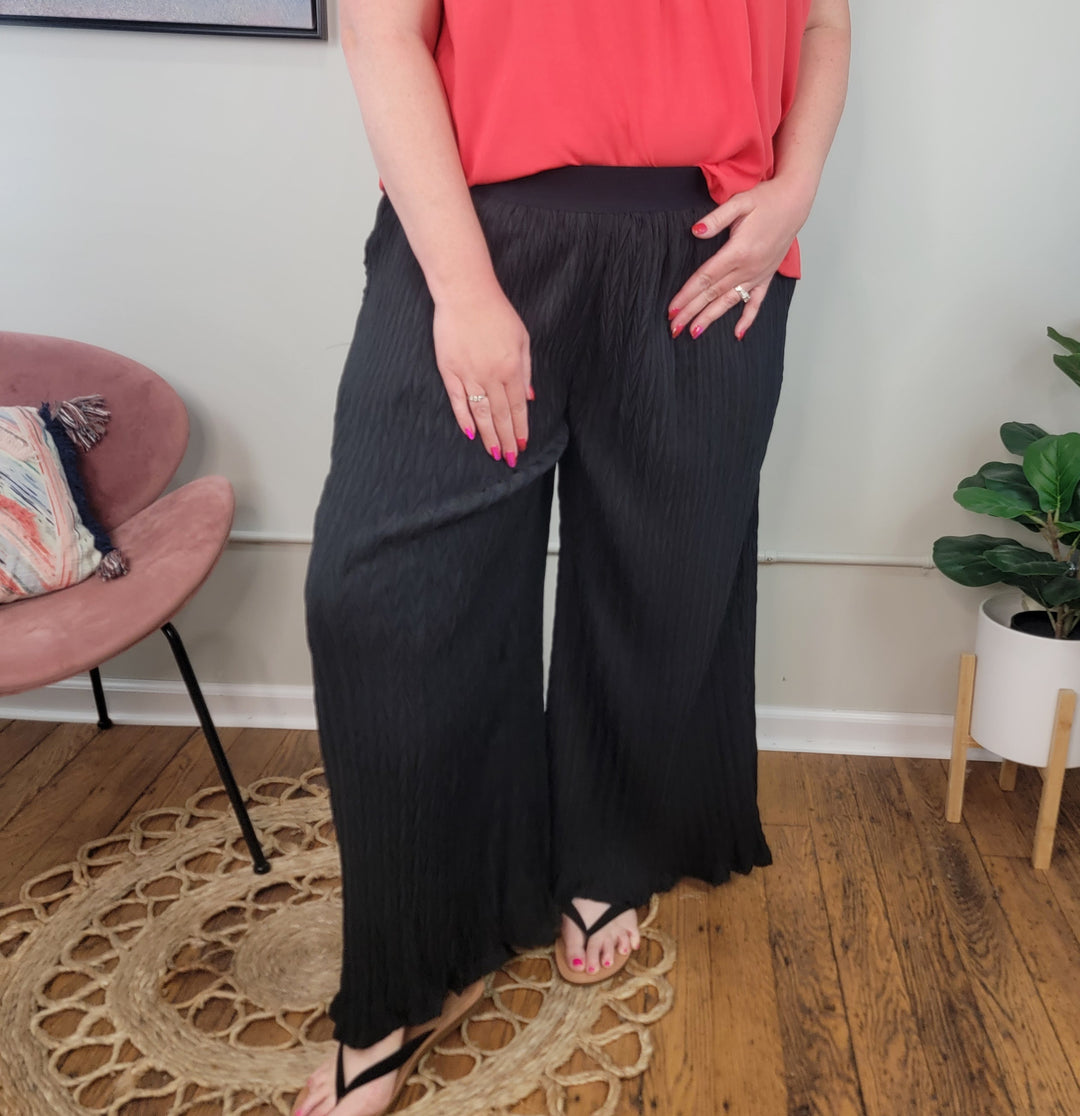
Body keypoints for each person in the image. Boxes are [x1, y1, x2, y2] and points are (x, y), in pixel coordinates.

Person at [295, 1, 850, 1113]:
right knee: (383, 602)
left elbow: (826, 21)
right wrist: (459, 288)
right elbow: (381, 30)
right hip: (474, 235)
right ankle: (409, 973)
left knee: (664, 571)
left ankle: (609, 855)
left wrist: (794, 190)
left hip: (711, 242)